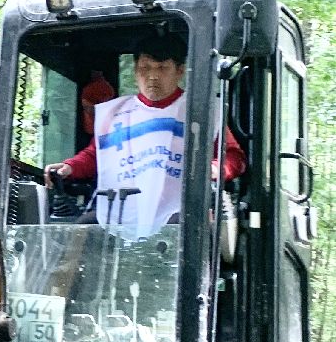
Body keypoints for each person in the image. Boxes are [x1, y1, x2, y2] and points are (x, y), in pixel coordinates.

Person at [44, 37, 245, 237]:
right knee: (82, 230)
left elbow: (235, 157)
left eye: (162, 68)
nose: (152, 76)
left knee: (184, 230)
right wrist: (70, 167)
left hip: (180, 211)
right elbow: (96, 155)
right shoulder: (115, 113)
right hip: (123, 210)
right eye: (145, 68)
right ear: (135, 70)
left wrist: (214, 169)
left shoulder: (202, 111)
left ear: (180, 70)